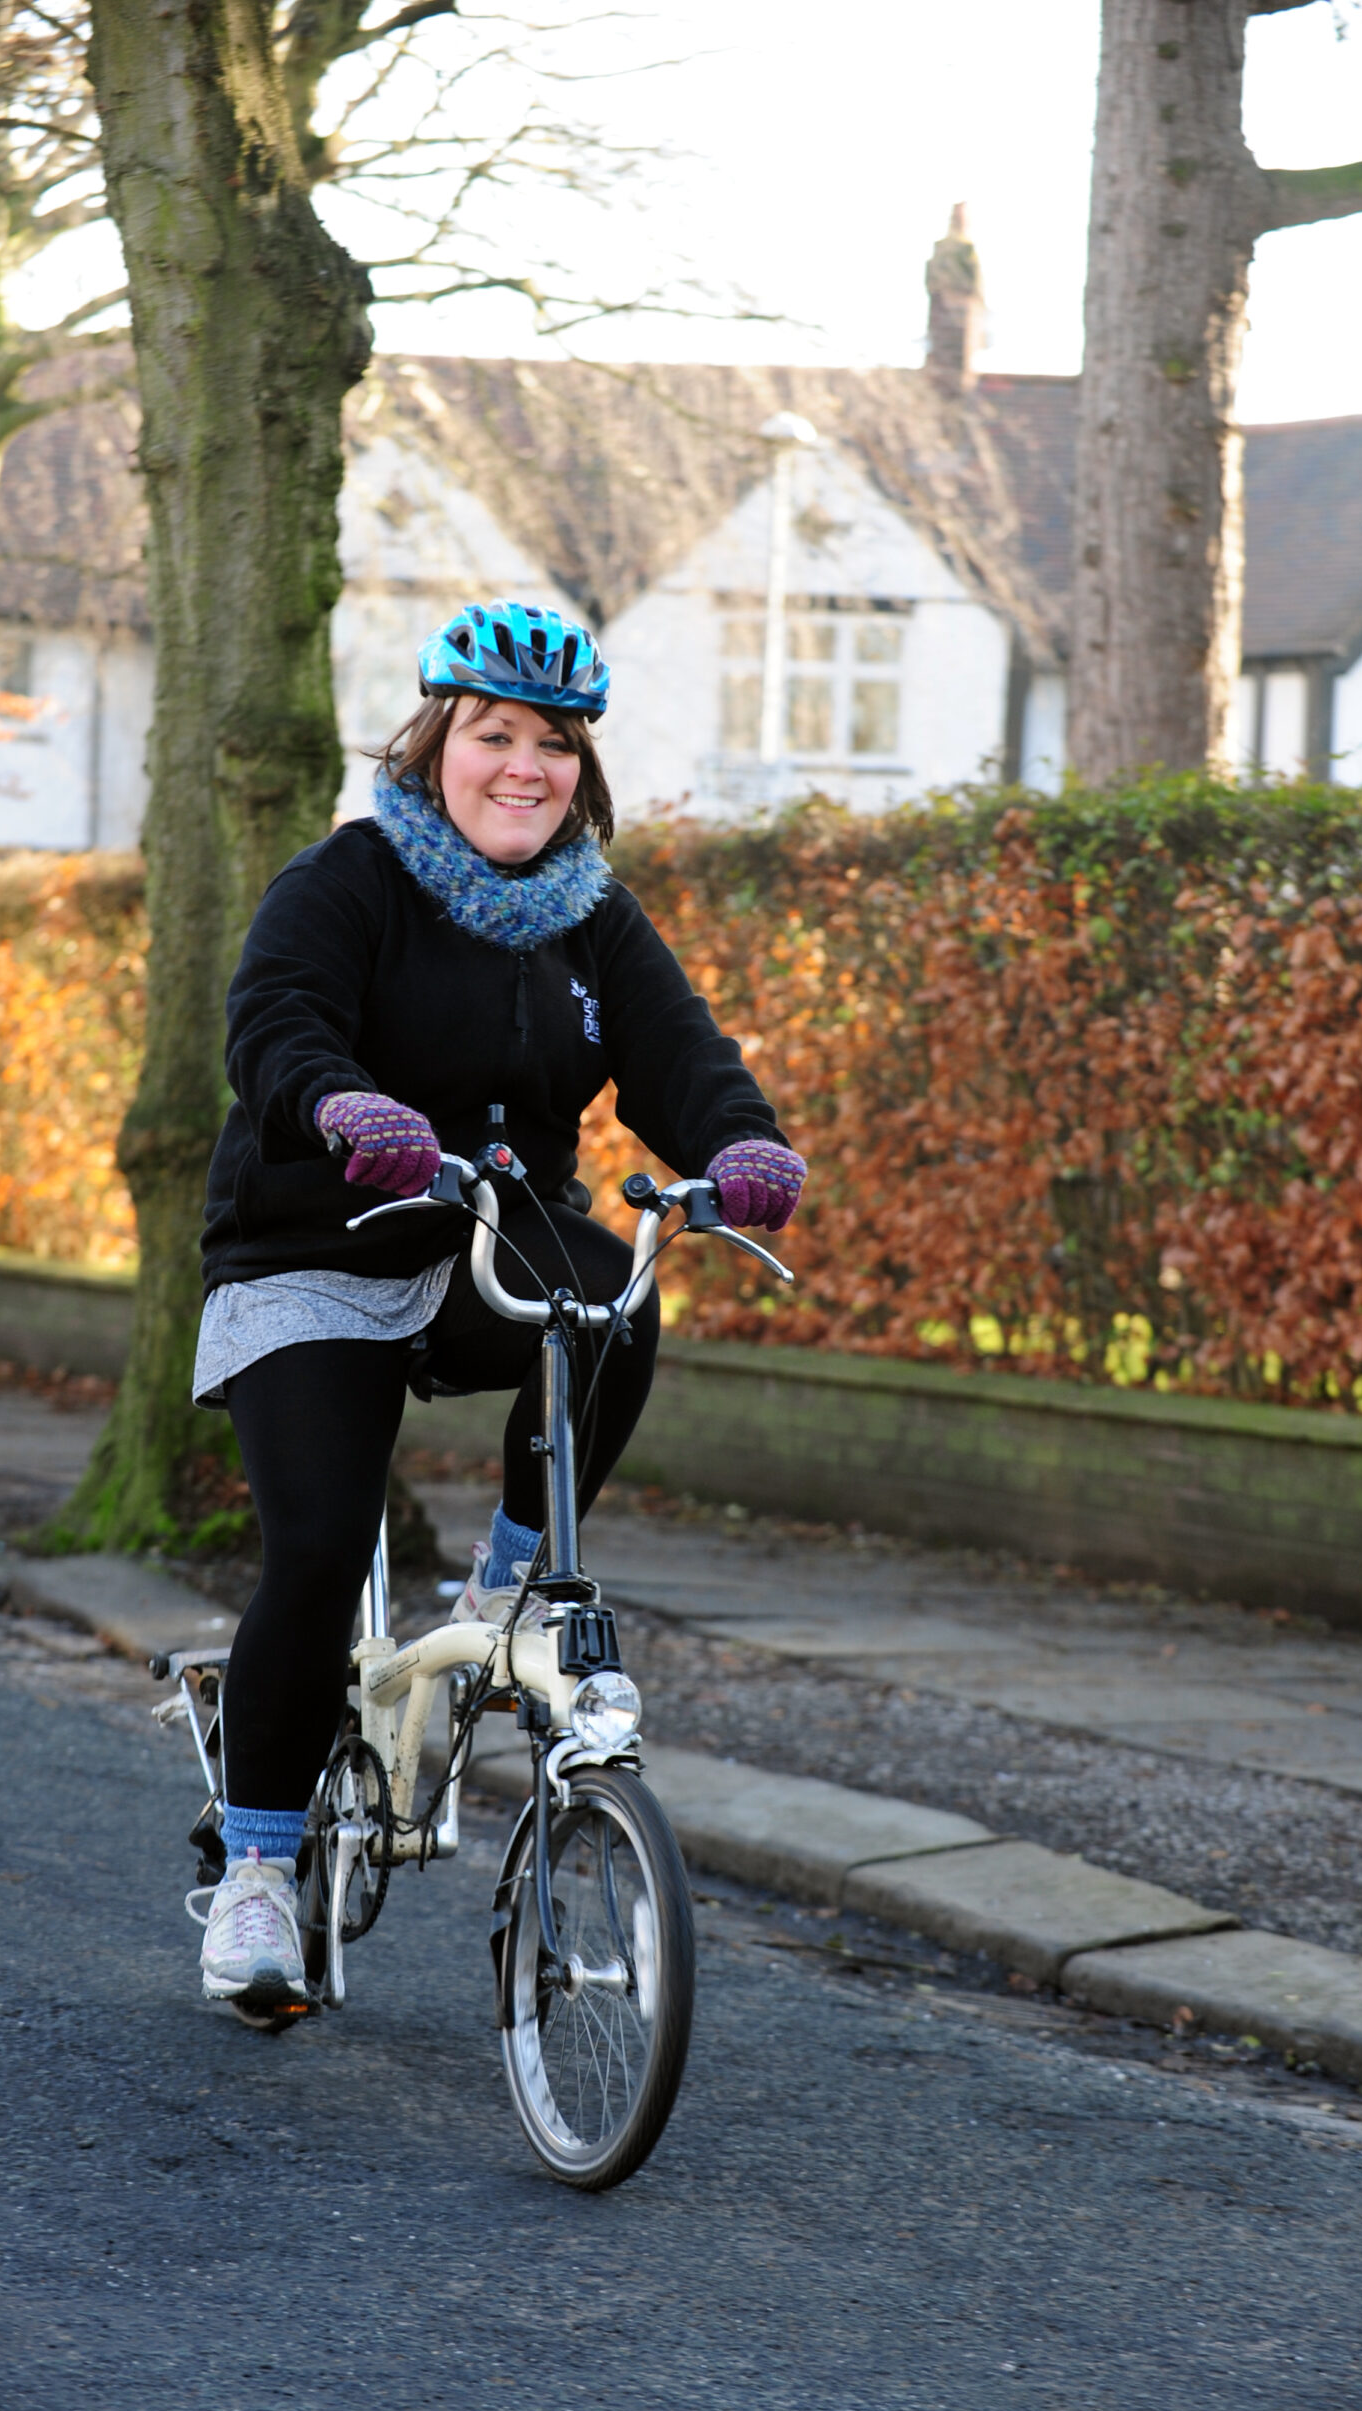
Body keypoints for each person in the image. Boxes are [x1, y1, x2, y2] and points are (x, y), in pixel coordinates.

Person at [189, 599, 806, 2018]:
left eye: (553, 745)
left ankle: (512, 1573)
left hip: (487, 1244)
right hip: (314, 1250)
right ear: (436, 743)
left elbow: (680, 1054)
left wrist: (741, 1145)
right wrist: (341, 1103)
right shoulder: (347, 882)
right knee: (324, 1540)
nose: (524, 768)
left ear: (581, 770)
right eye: (494, 736)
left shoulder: (590, 915)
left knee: (614, 1290)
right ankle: (262, 1873)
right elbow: (273, 1021)